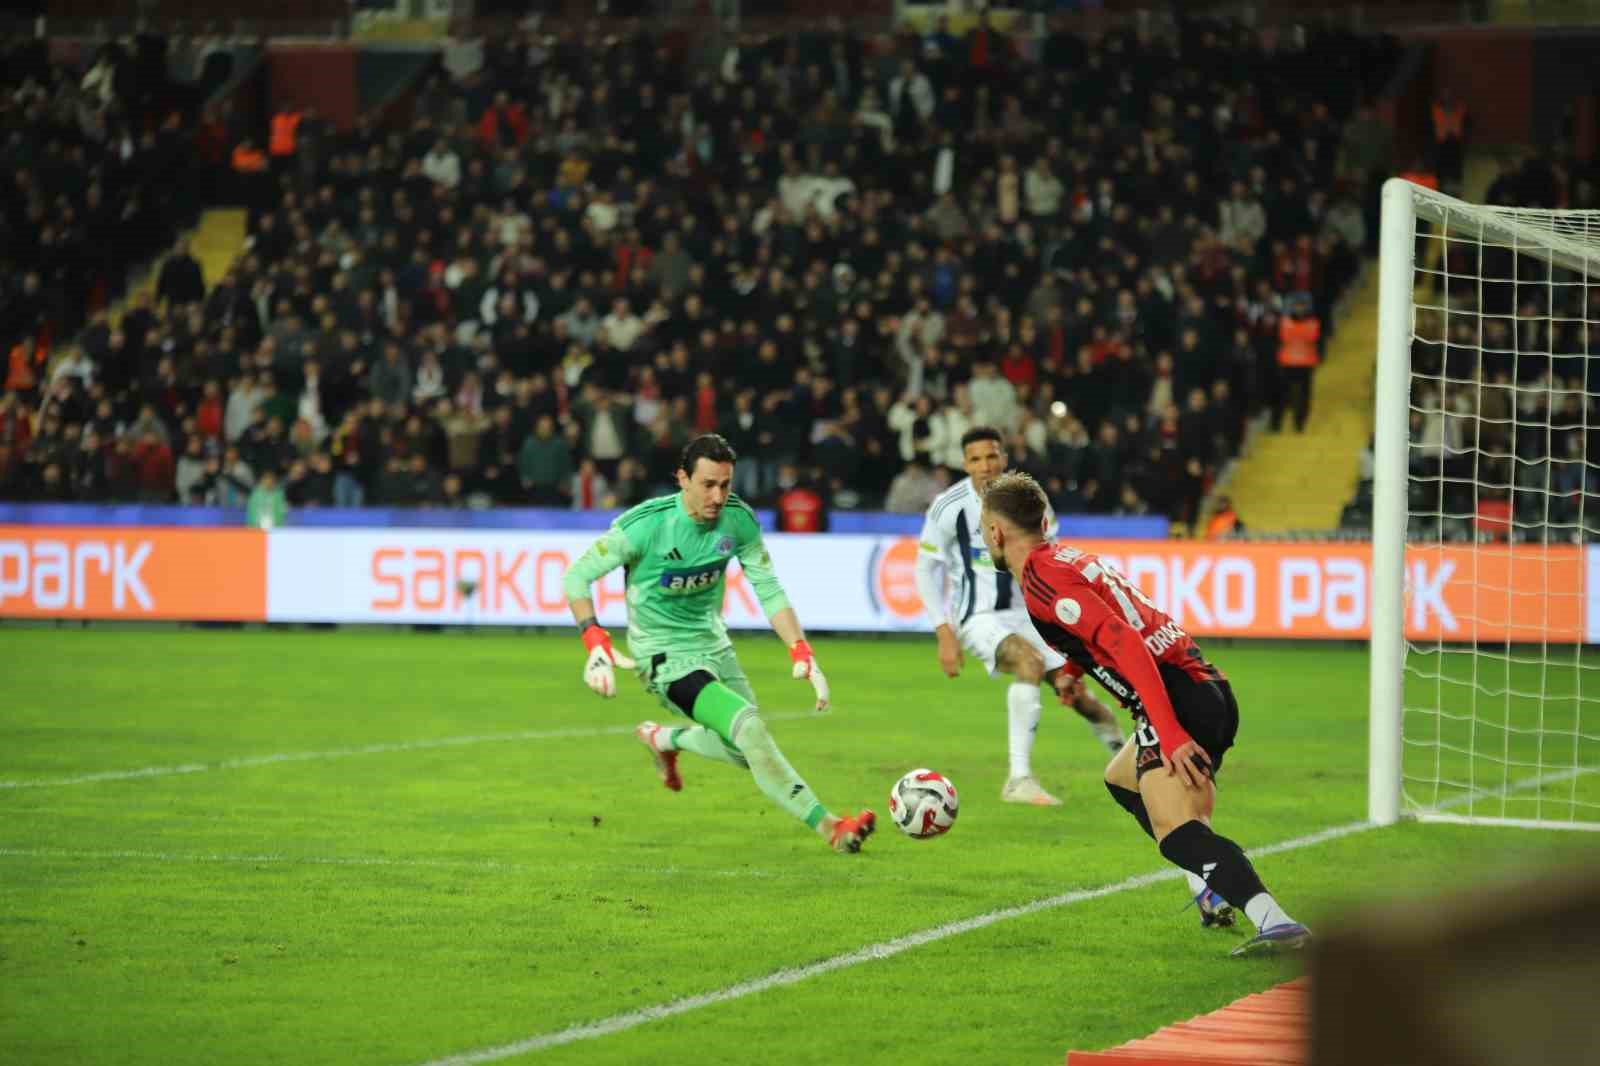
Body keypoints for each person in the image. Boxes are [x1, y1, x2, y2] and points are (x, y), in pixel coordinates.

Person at [978, 471, 1310, 955]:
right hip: (1202, 687)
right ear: (1043, 522)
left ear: (995, 532)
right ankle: (1210, 884)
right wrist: (1074, 667)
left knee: (1176, 833)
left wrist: (1168, 731)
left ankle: (1275, 922)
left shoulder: (1041, 579)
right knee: (1122, 779)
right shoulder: (1066, 559)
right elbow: (1115, 619)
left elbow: (1123, 639)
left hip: (1176, 700)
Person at [560, 433, 877, 854]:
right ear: (682, 479)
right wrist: (594, 639)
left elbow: (769, 588)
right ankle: (832, 827)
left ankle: (664, 739)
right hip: (664, 657)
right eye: (708, 484)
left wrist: (801, 650)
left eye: (725, 485)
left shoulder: (738, 520)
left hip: (714, 645)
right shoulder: (647, 525)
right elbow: (576, 577)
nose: (718, 496)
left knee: (747, 749)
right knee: (750, 730)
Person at [915, 427, 1124, 807]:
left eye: (991, 456)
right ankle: (1019, 779)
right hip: (978, 616)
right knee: (1028, 662)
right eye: (976, 459)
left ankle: (1127, 759)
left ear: (1004, 458)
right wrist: (943, 632)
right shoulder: (948, 507)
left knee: (1079, 694)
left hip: (1030, 614)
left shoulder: (1030, 499)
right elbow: (925, 569)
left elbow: (1049, 558)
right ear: (965, 464)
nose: (985, 465)